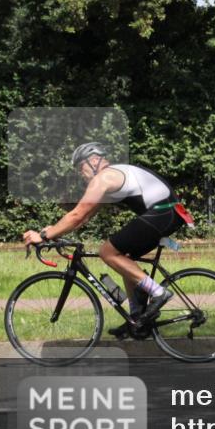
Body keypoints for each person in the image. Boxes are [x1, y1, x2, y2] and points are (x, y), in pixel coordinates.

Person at [21, 143, 189, 338]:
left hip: (163, 213)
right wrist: (53, 231)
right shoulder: (110, 178)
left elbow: (77, 214)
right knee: (123, 257)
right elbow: (84, 217)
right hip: (165, 214)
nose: (81, 174)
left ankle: (159, 293)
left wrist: (42, 236)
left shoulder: (104, 177)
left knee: (107, 252)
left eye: (80, 168)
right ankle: (137, 318)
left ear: (93, 161)